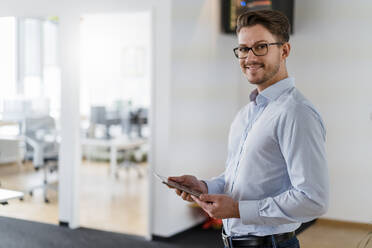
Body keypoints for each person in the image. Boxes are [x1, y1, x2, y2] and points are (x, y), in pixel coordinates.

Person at [168, 9, 329, 248]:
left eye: (261, 46)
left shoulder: (297, 113)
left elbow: (313, 199)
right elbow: (238, 178)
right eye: (243, 48)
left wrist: (237, 209)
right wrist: (204, 187)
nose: (250, 57)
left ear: (284, 50)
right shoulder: (247, 113)